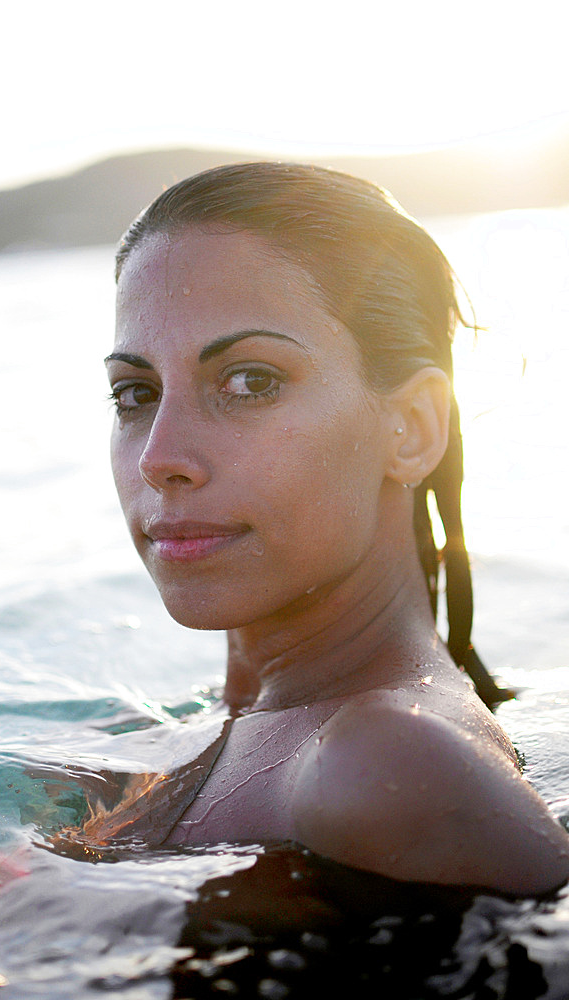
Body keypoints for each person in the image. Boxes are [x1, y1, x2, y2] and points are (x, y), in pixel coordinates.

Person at [100, 162, 569, 895]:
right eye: (136, 393)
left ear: (411, 428)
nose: (162, 457)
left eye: (250, 381)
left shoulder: (385, 762)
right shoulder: (212, 737)